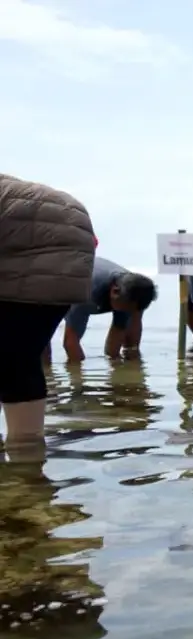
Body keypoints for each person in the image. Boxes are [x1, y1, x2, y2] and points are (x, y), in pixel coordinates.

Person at [0, 173, 95, 447]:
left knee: (12, 359)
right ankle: (28, 462)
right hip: (74, 237)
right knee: (21, 360)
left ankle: (20, 474)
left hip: (32, 241)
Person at [45, 257, 157, 363]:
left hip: (95, 277)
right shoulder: (86, 295)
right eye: (126, 308)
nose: (127, 311)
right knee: (41, 341)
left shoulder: (134, 291)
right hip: (53, 287)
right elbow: (70, 342)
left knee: (130, 332)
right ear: (114, 292)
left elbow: (119, 331)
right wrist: (78, 376)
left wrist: (117, 365)